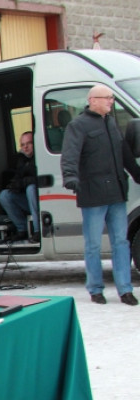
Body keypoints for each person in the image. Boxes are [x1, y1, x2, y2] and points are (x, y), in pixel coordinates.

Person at [60, 85, 140, 306]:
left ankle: (125, 290)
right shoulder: (78, 126)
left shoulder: (111, 123)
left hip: (116, 193)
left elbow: (123, 152)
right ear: (93, 100)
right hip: (92, 194)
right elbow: (70, 154)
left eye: (112, 98)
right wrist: (70, 177)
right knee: (93, 244)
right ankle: (95, 289)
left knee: (121, 242)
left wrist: (136, 173)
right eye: (108, 98)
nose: (111, 101)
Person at [0, 131, 40, 241]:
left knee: (31, 189)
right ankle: (22, 229)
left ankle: (38, 231)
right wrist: (14, 185)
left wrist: (23, 182)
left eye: (29, 143)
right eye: (22, 145)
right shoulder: (21, 159)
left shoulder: (41, 156)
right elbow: (18, 177)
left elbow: (40, 179)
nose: (25, 147)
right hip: (29, 201)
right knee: (4, 195)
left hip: (43, 201)